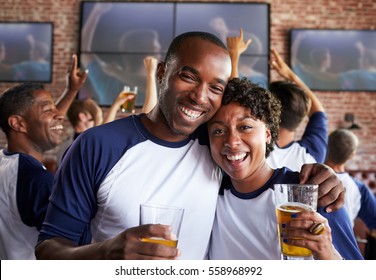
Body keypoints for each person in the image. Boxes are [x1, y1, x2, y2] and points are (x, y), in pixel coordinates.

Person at [36, 31, 345, 260]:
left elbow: (253, 164)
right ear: (161, 74)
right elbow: (49, 249)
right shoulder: (98, 145)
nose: (200, 96)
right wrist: (107, 252)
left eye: (215, 87)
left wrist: (324, 177)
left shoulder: (215, 145)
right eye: (188, 76)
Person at [207, 78, 363, 260]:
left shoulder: (316, 194)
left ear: (267, 133)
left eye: (246, 127)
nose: (232, 142)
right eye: (218, 131)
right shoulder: (211, 192)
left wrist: (327, 253)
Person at [0, 55, 87, 260]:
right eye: (48, 110)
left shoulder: (6, 162)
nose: (59, 116)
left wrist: (71, 90)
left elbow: (44, 122)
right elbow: (70, 249)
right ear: (18, 124)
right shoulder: (36, 180)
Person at [56, 55, 158, 167]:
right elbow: (148, 120)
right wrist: (150, 74)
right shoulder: (87, 140)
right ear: (82, 117)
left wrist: (115, 105)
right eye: (94, 114)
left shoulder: (71, 143)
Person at [80, 2, 161, 107]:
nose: (160, 54)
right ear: (150, 54)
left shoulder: (109, 78)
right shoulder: (156, 88)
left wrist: (96, 12)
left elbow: (84, 50)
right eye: (157, 50)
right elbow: (84, 51)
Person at [267, 48, 328, 171]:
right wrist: (291, 75)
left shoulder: (256, 150)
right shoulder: (311, 156)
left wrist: (233, 58)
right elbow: (318, 113)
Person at [325, 128, 376, 229]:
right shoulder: (359, 188)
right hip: (344, 243)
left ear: (326, 147)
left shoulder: (307, 176)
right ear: (352, 155)